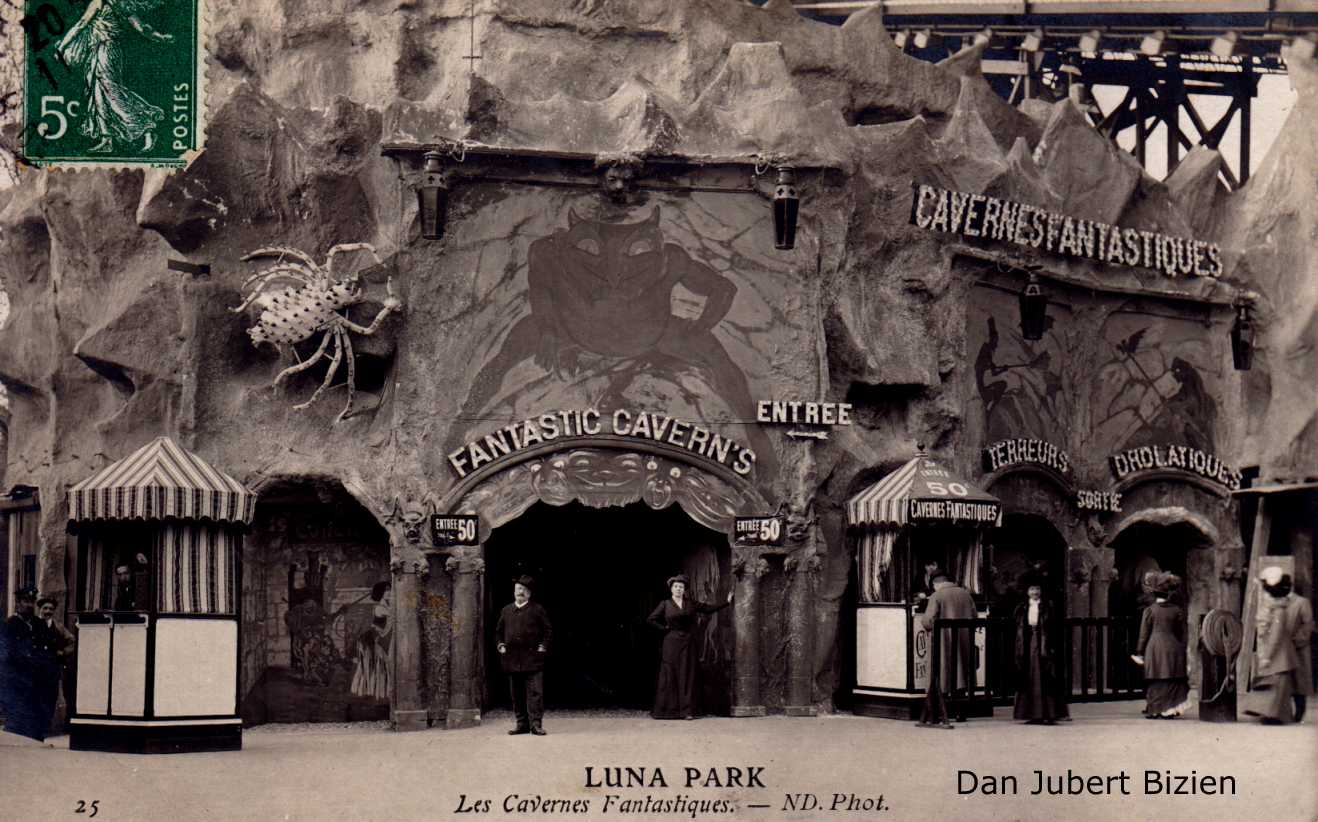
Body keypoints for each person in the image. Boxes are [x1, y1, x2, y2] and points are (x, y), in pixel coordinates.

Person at [648, 574, 732, 720]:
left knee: (687, 674)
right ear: (671, 589)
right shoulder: (665, 604)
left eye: (681, 587)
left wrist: (727, 602)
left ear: (684, 589)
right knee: (670, 673)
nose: (678, 589)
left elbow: (707, 609)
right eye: (676, 586)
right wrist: (665, 629)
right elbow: (651, 619)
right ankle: (668, 711)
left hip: (688, 642)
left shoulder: (690, 603)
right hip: (671, 643)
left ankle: (687, 711)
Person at [1245, 569, 1313, 724]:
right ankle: (1274, 712)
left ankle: (1296, 712)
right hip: (1281, 648)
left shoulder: (1301, 602)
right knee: (1280, 682)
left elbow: (1307, 625)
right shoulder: (1273, 603)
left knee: (1298, 683)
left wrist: (1294, 640)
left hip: (1296, 647)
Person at [1, 587, 62, 741]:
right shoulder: (9, 625)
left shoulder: (39, 624)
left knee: (38, 723)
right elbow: (7, 655)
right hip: (18, 682)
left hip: (38, 682)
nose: (29, 605)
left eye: (31, 602)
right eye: (25, 601)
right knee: (18, 725)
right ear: (18, 603)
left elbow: (50, 648)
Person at [496, 576, 552, 736]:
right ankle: (521, 724)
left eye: (524, 590)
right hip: (512, 659)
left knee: (535, 693)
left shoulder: (537, 609)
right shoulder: (506, 610)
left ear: (529, 593)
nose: (520, 592)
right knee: (516, 693)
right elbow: (498, 632)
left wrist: (543, 646)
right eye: (518, 589)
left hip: (533, 659)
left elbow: (548, 630)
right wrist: (500, 645)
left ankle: (536, 725)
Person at [919, 572, 978, 724]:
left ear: (935, 584)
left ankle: (938, 713)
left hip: (943, 642)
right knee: (961, 674)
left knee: (941, 674)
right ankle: (960, 713)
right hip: (964, 641)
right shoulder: (966, 594)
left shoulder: (936, 596)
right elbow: (974, 616)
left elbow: (927, 621)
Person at [1132, 572, 1191, 719]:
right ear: (1169, 594)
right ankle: (1169, 709)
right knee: (1171, 678)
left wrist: (1139, 651)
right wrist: (1181, 647)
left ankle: (1155, 709)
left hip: (1155, 647)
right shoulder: (1177, 610)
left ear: (1154, 594)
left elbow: (1143, 634)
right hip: (1174, 647)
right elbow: (1182, 632)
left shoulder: (1150, 610)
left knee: (1156, 678)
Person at [1012, 580, 1068, 725]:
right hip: (1027, 643)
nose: (1035, 592)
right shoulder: (1022, 607)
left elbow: (1054, 627)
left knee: (1046, 677)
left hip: (1044, 643)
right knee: (1029, 676)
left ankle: (1049, 714)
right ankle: (1032, 714)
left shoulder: (1048, 606)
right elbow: (1018, 628)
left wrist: (1050, 645)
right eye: (1032, 589)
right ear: (1027, 591)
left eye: (1037, 589)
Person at [350, 581, 392, 700]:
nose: (389, 592)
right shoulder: (380, 608)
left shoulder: (387, 605)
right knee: (376, 663)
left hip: (380, 635)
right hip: (373, 637)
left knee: (380, 664)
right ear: (381, 592)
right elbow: (394, 616)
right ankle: (373, 690)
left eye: (390, 590)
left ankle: (381, 691)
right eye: (386, 590)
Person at [37, 596, 77, 718]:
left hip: (53, 669)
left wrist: (63, 652)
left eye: (51, 609)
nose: (48, 611)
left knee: (51, 697)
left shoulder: (58, 627)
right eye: (45, 608)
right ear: (40, 609)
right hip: (36, 669)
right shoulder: (33, 624)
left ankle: (48, 723)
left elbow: (72, 641)